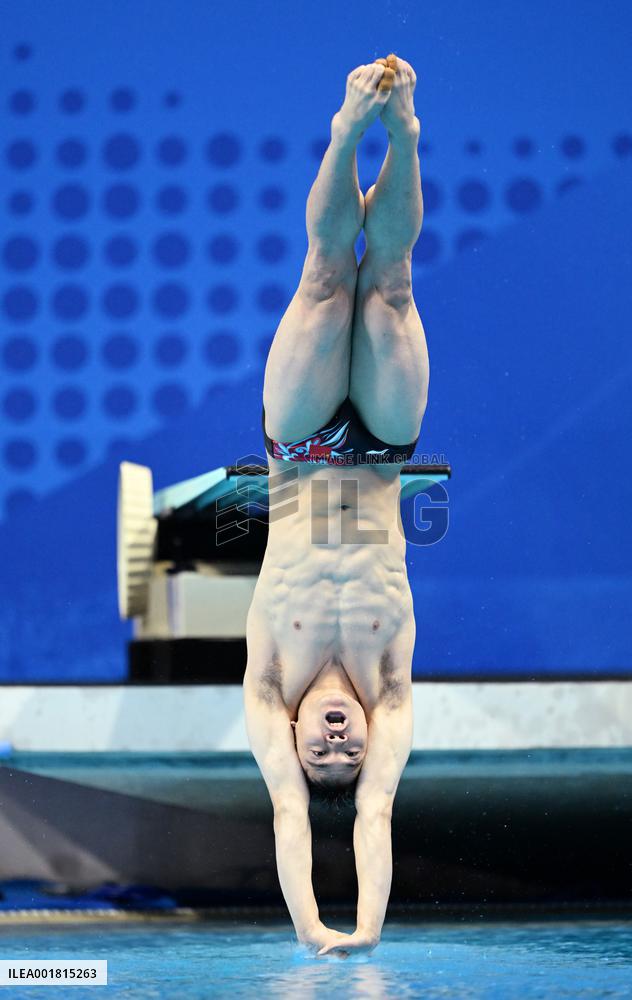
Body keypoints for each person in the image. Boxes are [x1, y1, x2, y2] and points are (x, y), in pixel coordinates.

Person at [243, 53, 429, 957]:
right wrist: (366, 929)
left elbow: (288, 810)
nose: (334, 748)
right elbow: (377, 812)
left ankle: (347, 130)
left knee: (326, 274)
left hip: (299, 449)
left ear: (293, 734)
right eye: (343, 757)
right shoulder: (387, 695)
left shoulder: (270, 684)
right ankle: (404, 135)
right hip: (387, 454)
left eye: (320, 753)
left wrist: (313, 925)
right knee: (387, 283)